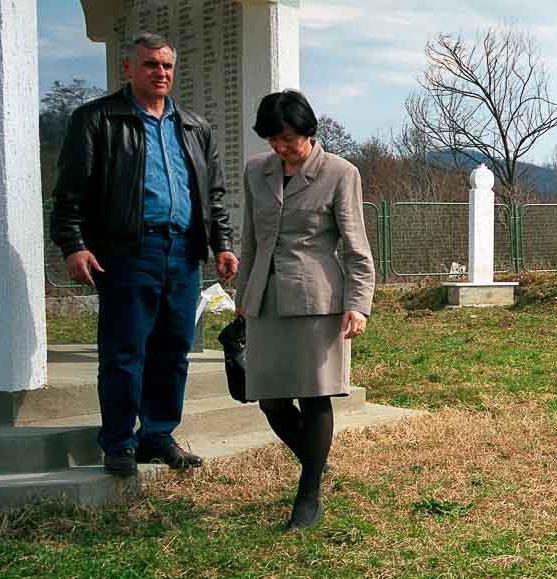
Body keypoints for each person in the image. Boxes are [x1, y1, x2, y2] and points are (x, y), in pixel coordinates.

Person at [50, 32, 238, 477]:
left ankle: (157, 435)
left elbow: (213, 194)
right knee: (124, 350)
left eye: (167, 66)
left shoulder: (193, 127)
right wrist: (74, 245)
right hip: (127, 253)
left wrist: (223, 244)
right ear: (128, 68)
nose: (161, 73)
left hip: (183, 252)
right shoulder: (97, 119)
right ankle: (118, 442)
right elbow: (70, 192)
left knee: (174, 349)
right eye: (151, 65)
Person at [236, 89, 375, 530]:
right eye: (273, 139)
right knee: (271, 399)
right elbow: (250, 239)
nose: (280, 147)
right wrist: (243, 297)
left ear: (308, 133)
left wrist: (359, 303)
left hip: (317, 300)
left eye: (288, 139)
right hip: (265, 299)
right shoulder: (256, 171)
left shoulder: (339, 173)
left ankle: (308, 494)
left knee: (315, 395)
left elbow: (356, 247)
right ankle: (316, 461)